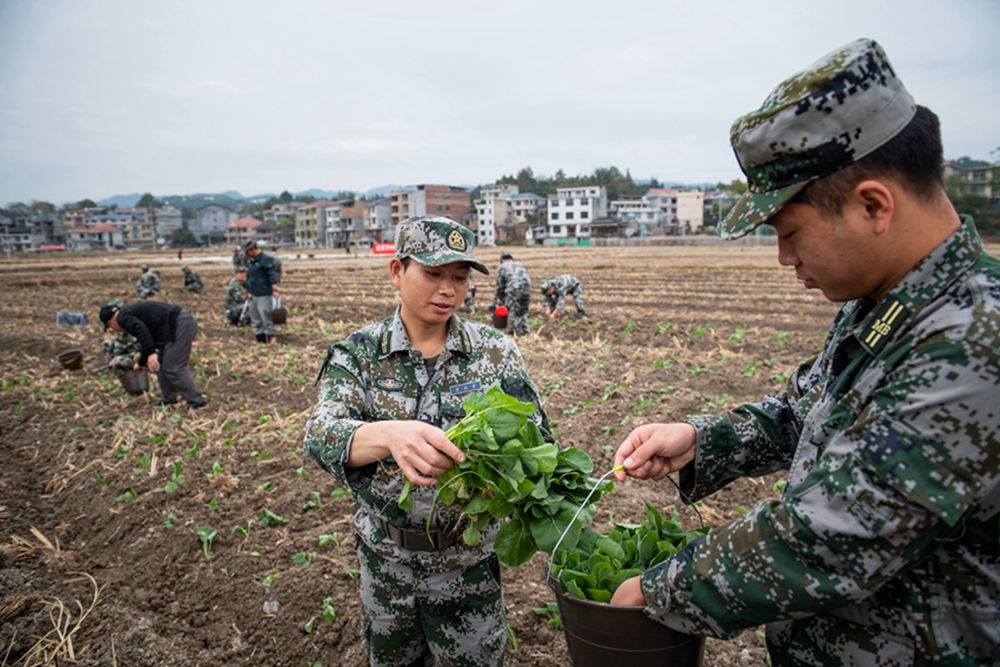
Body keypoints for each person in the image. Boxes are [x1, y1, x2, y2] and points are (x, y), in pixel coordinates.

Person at [609, 38, 999, 666]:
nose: (785, 259)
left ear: (873, 205)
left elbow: (834, 536)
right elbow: (802, 411)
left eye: (789, 233)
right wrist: (700, 439)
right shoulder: (882, 306)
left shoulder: (974, 341)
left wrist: (659, 591)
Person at [303, 216, 551, 667]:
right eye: (433, 274)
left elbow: (539, 442)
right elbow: (321, 433)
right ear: (397, 271)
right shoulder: (359, 353)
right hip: (385, 565)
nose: (448, 291)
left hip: (467, 565)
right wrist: (388, 434)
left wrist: (503, 480)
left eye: (459, 278)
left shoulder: (494, 353)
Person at [99, 301, 207, 409]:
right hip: (175, 326)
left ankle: (197, 403)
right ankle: (169, 400)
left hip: (179, 325)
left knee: (172, 367)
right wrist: (141, 362)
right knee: (159, 365)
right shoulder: (128, 313)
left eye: (111, 328)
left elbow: (141, 329)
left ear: (111, 323)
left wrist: (151, 353)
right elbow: (145, 337)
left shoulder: (122, 318)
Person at [243, 239, 279, 343]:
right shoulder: (250, 261)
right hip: (253, 292)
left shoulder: (265, 259)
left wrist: (274, 289)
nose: (246, 254)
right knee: (254, 314)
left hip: (263, 292)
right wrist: (246, 290)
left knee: (264, 313)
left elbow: (271, 275)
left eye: (247, 252)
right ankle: (260, 336)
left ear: (253, 249)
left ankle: (270, 335)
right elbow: (249, 277)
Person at [494, 251, 532, 336]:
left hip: (513, 289)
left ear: (502, 260)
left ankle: (519, 335)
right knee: (523, 312)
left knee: (513, 312)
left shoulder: (502, 267)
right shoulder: (520, 265)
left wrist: (500, 298)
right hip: (527, 289)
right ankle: (526, 333)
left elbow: (500, 285)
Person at [101, 299, 141, 371]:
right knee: (107, 344)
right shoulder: (119, 328)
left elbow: (141, 350)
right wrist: (115, 358)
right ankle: (111, 368)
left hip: (136, 357)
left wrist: (118, 360)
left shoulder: (134, 324)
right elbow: (119, 345)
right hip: (125, 355)